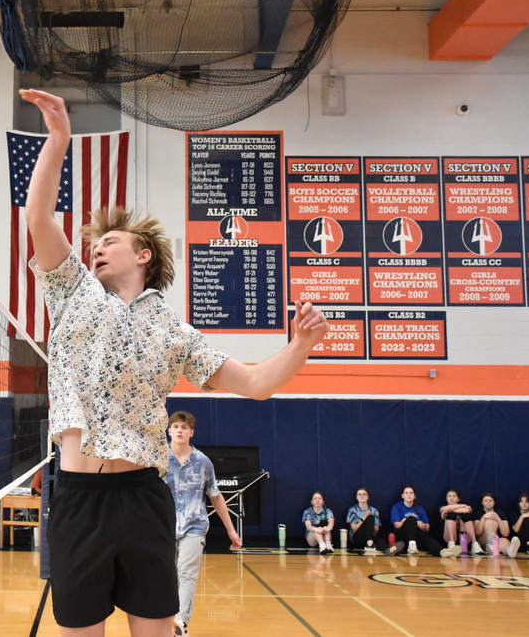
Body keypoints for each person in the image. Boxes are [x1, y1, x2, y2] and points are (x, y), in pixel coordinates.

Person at [19, 88, 329, 636]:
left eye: (109, 240)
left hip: (142, 497)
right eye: (93, 243)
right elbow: (37, 215)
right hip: (77, 497)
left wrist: (300, 346)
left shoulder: (176, 330)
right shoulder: (71, 292)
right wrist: (60, 138)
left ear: (143, 254)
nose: (96, 248)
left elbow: (257, 383)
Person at [163, 411, 242, 637]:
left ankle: (180, 623)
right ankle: (166, 622)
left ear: (191, 433)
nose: (179, 430)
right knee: (167, 575)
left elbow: (215, 496)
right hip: (164, 527)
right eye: (176, 426)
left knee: (186, 573)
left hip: (194, 527)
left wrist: (231, 530)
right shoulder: (159, 458)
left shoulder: (203, 462)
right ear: (169, 431)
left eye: (184, 427)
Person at [390, 486, 443, 556]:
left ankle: (443, 551)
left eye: (411, 493)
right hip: (403, 537)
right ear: (402, 496)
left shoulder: (419, 508)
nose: (409, 495)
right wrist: (410, 521)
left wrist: (423, 526)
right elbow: (397, 525)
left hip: (417, 535)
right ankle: (412, 545)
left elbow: (427, 528)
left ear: (414, 496)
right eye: (406, 493)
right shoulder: (397, 507)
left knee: (430, 541)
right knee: (411, 519)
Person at [473, 493, 521, 558]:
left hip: (496, 539)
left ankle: (509, 551)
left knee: (505, 542)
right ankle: (490, 545)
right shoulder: (478, 514)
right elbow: (477, 532)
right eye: (486, 501)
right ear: (482, 502)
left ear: (494, 502)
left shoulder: (500, 514)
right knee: (490, 520)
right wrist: (483, 518)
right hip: (484, 540)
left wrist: (498, 519)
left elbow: (505, 534)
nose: (488, 502)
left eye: (490, 500)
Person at [438, 489, 482, 556]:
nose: (451, 498)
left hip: (464, 537)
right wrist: (463, 505)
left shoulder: (462, 508)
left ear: (458, 499)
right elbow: (443, 509)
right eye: (449, 496)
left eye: (454, 496)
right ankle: (451, 544)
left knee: (465, 515)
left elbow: (467, 510)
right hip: (448, 538)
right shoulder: (441, 507)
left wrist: (449, 511)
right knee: (451, 515)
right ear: (446, 499)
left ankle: (474, 543)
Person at [345, 488, 384, 554]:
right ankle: (369, 543)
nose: (362, 496)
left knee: (380, 540)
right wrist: (364, 518)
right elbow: (354, 529)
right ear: (357, 497)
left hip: (370, 536)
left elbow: (376, 530)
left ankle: (388, 550)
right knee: (369, 517)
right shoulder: (352, 510)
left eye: (364, 494)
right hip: (357, 538)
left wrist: (370, 524)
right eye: (359, 494)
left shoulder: (374, 510)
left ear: (368, 497)